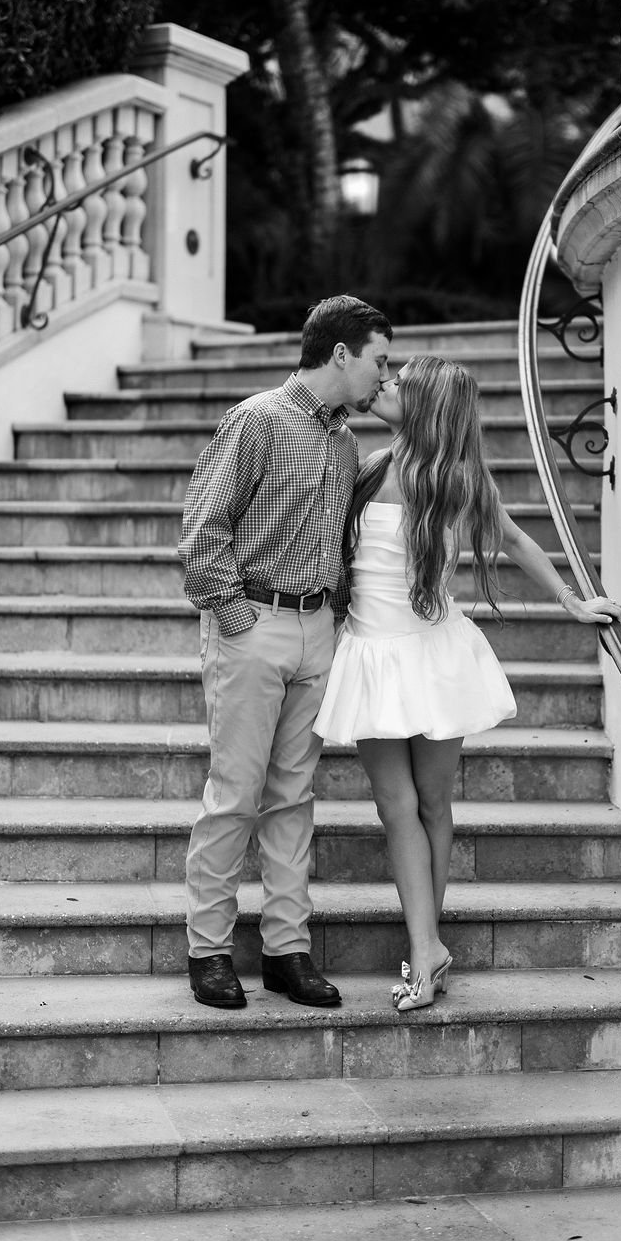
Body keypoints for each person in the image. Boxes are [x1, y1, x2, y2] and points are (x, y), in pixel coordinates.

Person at [313, 355, 621, 1011]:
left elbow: (514, 541)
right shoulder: (367, 466)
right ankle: (428, 948)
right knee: (395, 806)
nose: (385, 384)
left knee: (431, 803)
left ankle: (425, 948)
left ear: (426, 407)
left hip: (433, 657)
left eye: (400, 383)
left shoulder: (455, 479)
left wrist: (573, 602)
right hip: (371, 654)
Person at [178, 295, 393, 1011]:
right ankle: (209, 951)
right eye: (379, 360)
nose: (384, 376)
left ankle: (285, 952)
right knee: (235, 794)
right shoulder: (258, 419)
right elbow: (203, 528)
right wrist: (236, 617)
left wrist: (332, 616)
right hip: (254, 624)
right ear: (341, 353)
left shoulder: (344, 442)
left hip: (317, 629)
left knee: (294, 797)